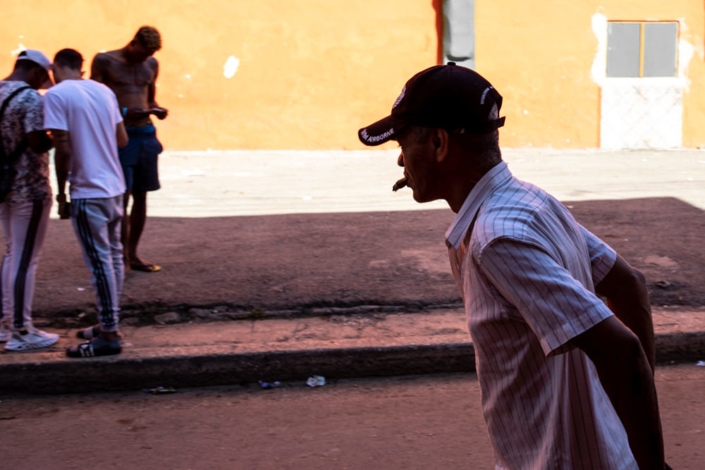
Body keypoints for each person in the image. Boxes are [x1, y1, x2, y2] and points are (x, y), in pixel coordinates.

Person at [358, 63, 668, 469]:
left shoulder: (496, 239)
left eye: (403, 143)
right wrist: (627, 422)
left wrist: (653, 463)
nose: (400, 161)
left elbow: (621, 350)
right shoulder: (529, 202)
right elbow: (629, 285)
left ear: (438, 143)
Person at [44, 48, 129, 358]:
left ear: (55, 67)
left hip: (87, 190)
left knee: (100, 263)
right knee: (114, 257)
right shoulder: (103, 91)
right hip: (114, 187)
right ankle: (109, 322)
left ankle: (109, 335)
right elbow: (122, 140)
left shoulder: (56, 95)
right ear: (81, 67)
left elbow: (62, 150)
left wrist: (63, 195)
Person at [91, 25, 167, 274]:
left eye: (149, 55)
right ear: (132, 43)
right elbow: (94, 100)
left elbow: (150, 98)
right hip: (121, 135)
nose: (144, 59)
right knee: (121, 196)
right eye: (142, 53)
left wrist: (157, 109)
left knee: (142, 195)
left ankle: (133, 254)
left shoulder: (151, 64)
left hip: (146, 133)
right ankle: (120, 255)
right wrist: (123, 113)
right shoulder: (105, 61)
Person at [0, 50, 58, 351]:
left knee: (12, 254)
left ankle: (5, 323)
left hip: (3, 187)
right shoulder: (31, 100)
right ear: (35, 71)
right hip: (29, 187)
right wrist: (58, 136)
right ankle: (22, 331)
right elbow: (37, 143)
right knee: (24, 259)